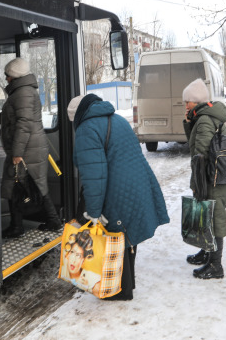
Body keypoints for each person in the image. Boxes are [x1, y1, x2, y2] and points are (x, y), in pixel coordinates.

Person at [68, 93, 169, 300]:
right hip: (136, 184)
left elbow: (94, 176)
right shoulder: (117, 119)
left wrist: (93, 212)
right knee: (125, 235)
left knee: (114, 234)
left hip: (116, 188)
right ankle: (125, 286)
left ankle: (118, 291)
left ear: (77, 116)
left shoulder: (87, 129)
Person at [0, 57, 63, 238]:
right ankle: (52, 220)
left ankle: (17, 226)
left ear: (14, 76)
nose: (6, 79)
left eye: (7, 75)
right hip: (32, 147)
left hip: (27, 149)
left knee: (13, 185)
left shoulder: (23, 93)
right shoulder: (25, 91)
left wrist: (17, 153)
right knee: (36, 184)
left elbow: (24, 124)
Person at [182, 78, 226, 279]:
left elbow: (200, 155)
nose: (185, 105)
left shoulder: (204, 120)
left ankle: (216, 265)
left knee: (214, 218)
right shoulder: (209, 116)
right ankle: (206, 252)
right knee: (208, 217)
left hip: (210, 178)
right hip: (216, 176)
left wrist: (198, 185)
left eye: (188, 102)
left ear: (197, 101)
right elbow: (195, 142)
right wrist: (188, 123)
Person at [59, 229, 102, 296]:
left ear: (83, 260)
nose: (74, 260)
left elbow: (98, 289)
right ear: (68, 254)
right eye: (72, 252)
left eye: (78, 256)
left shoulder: (89, 277)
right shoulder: (65, 263)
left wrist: (88, 287)